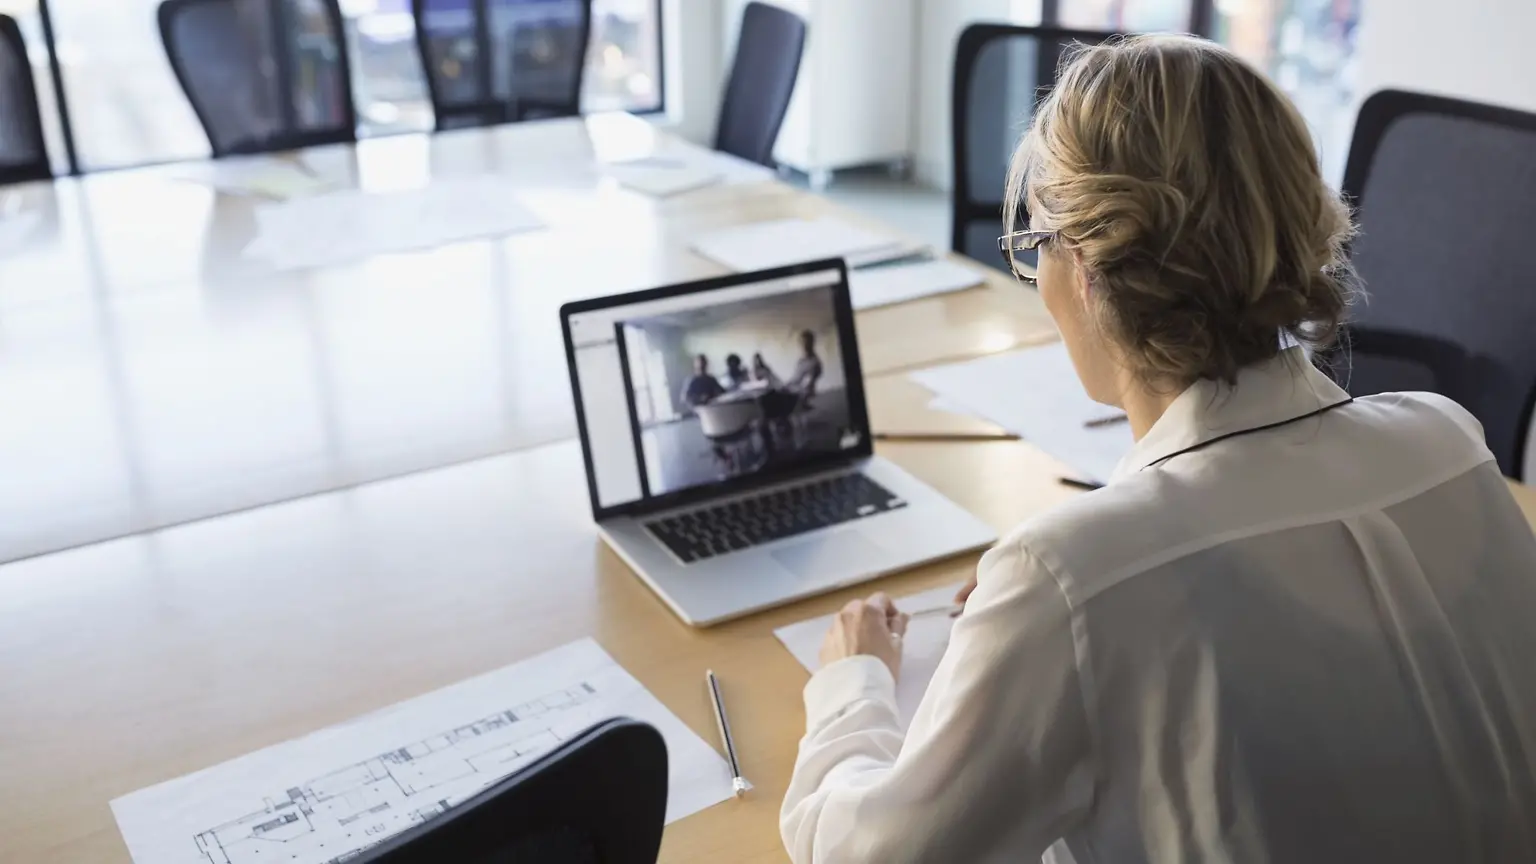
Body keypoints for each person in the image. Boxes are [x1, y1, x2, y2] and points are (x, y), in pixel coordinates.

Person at [780, 35, 1536, 864]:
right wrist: (1051, 597)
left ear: (1090, 270)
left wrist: (855, 684)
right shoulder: (1449, 441)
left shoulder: (1071, 581)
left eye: (1037, 247)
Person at [787, 330, 823, 397]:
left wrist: (789, 390)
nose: (804, 345)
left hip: (800, 395)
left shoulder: (814, 363)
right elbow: (795, 378)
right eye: (802, 343)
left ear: (812, 343)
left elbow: (806, 386)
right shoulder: (800, 361)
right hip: (792, 389)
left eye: (806, 343)